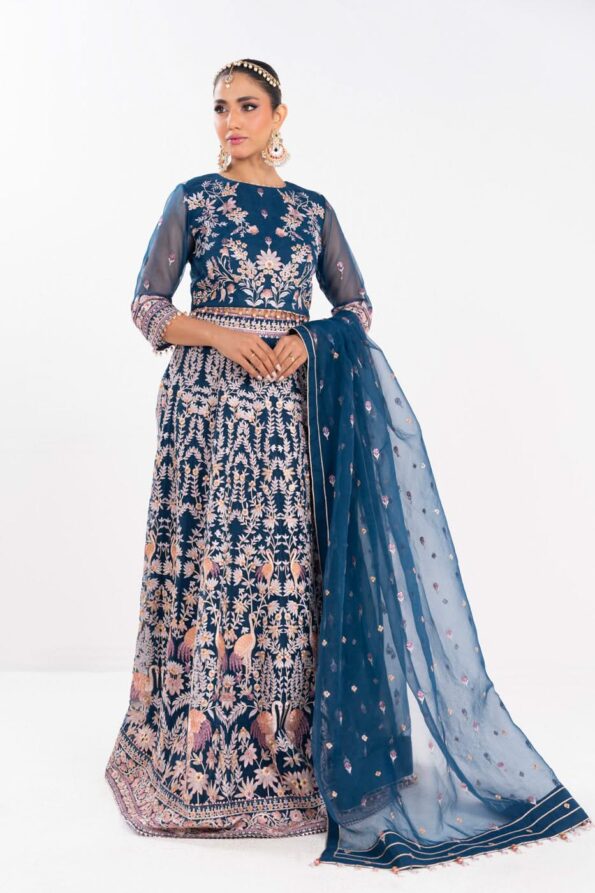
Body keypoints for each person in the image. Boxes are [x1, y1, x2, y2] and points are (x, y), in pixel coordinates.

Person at [105, 59, 591, 873]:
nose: (231, 121)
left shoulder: (311, 210)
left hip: (291, 416)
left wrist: (309, 340)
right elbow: (147, 305)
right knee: (209, 568)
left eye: (247, 106)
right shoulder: (191, 199)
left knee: (287, 575)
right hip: (207, 414)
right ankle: (196, 753)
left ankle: (291, 754)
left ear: (278, 115)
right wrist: (224, 335)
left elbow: (355, 306)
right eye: (220, 107)